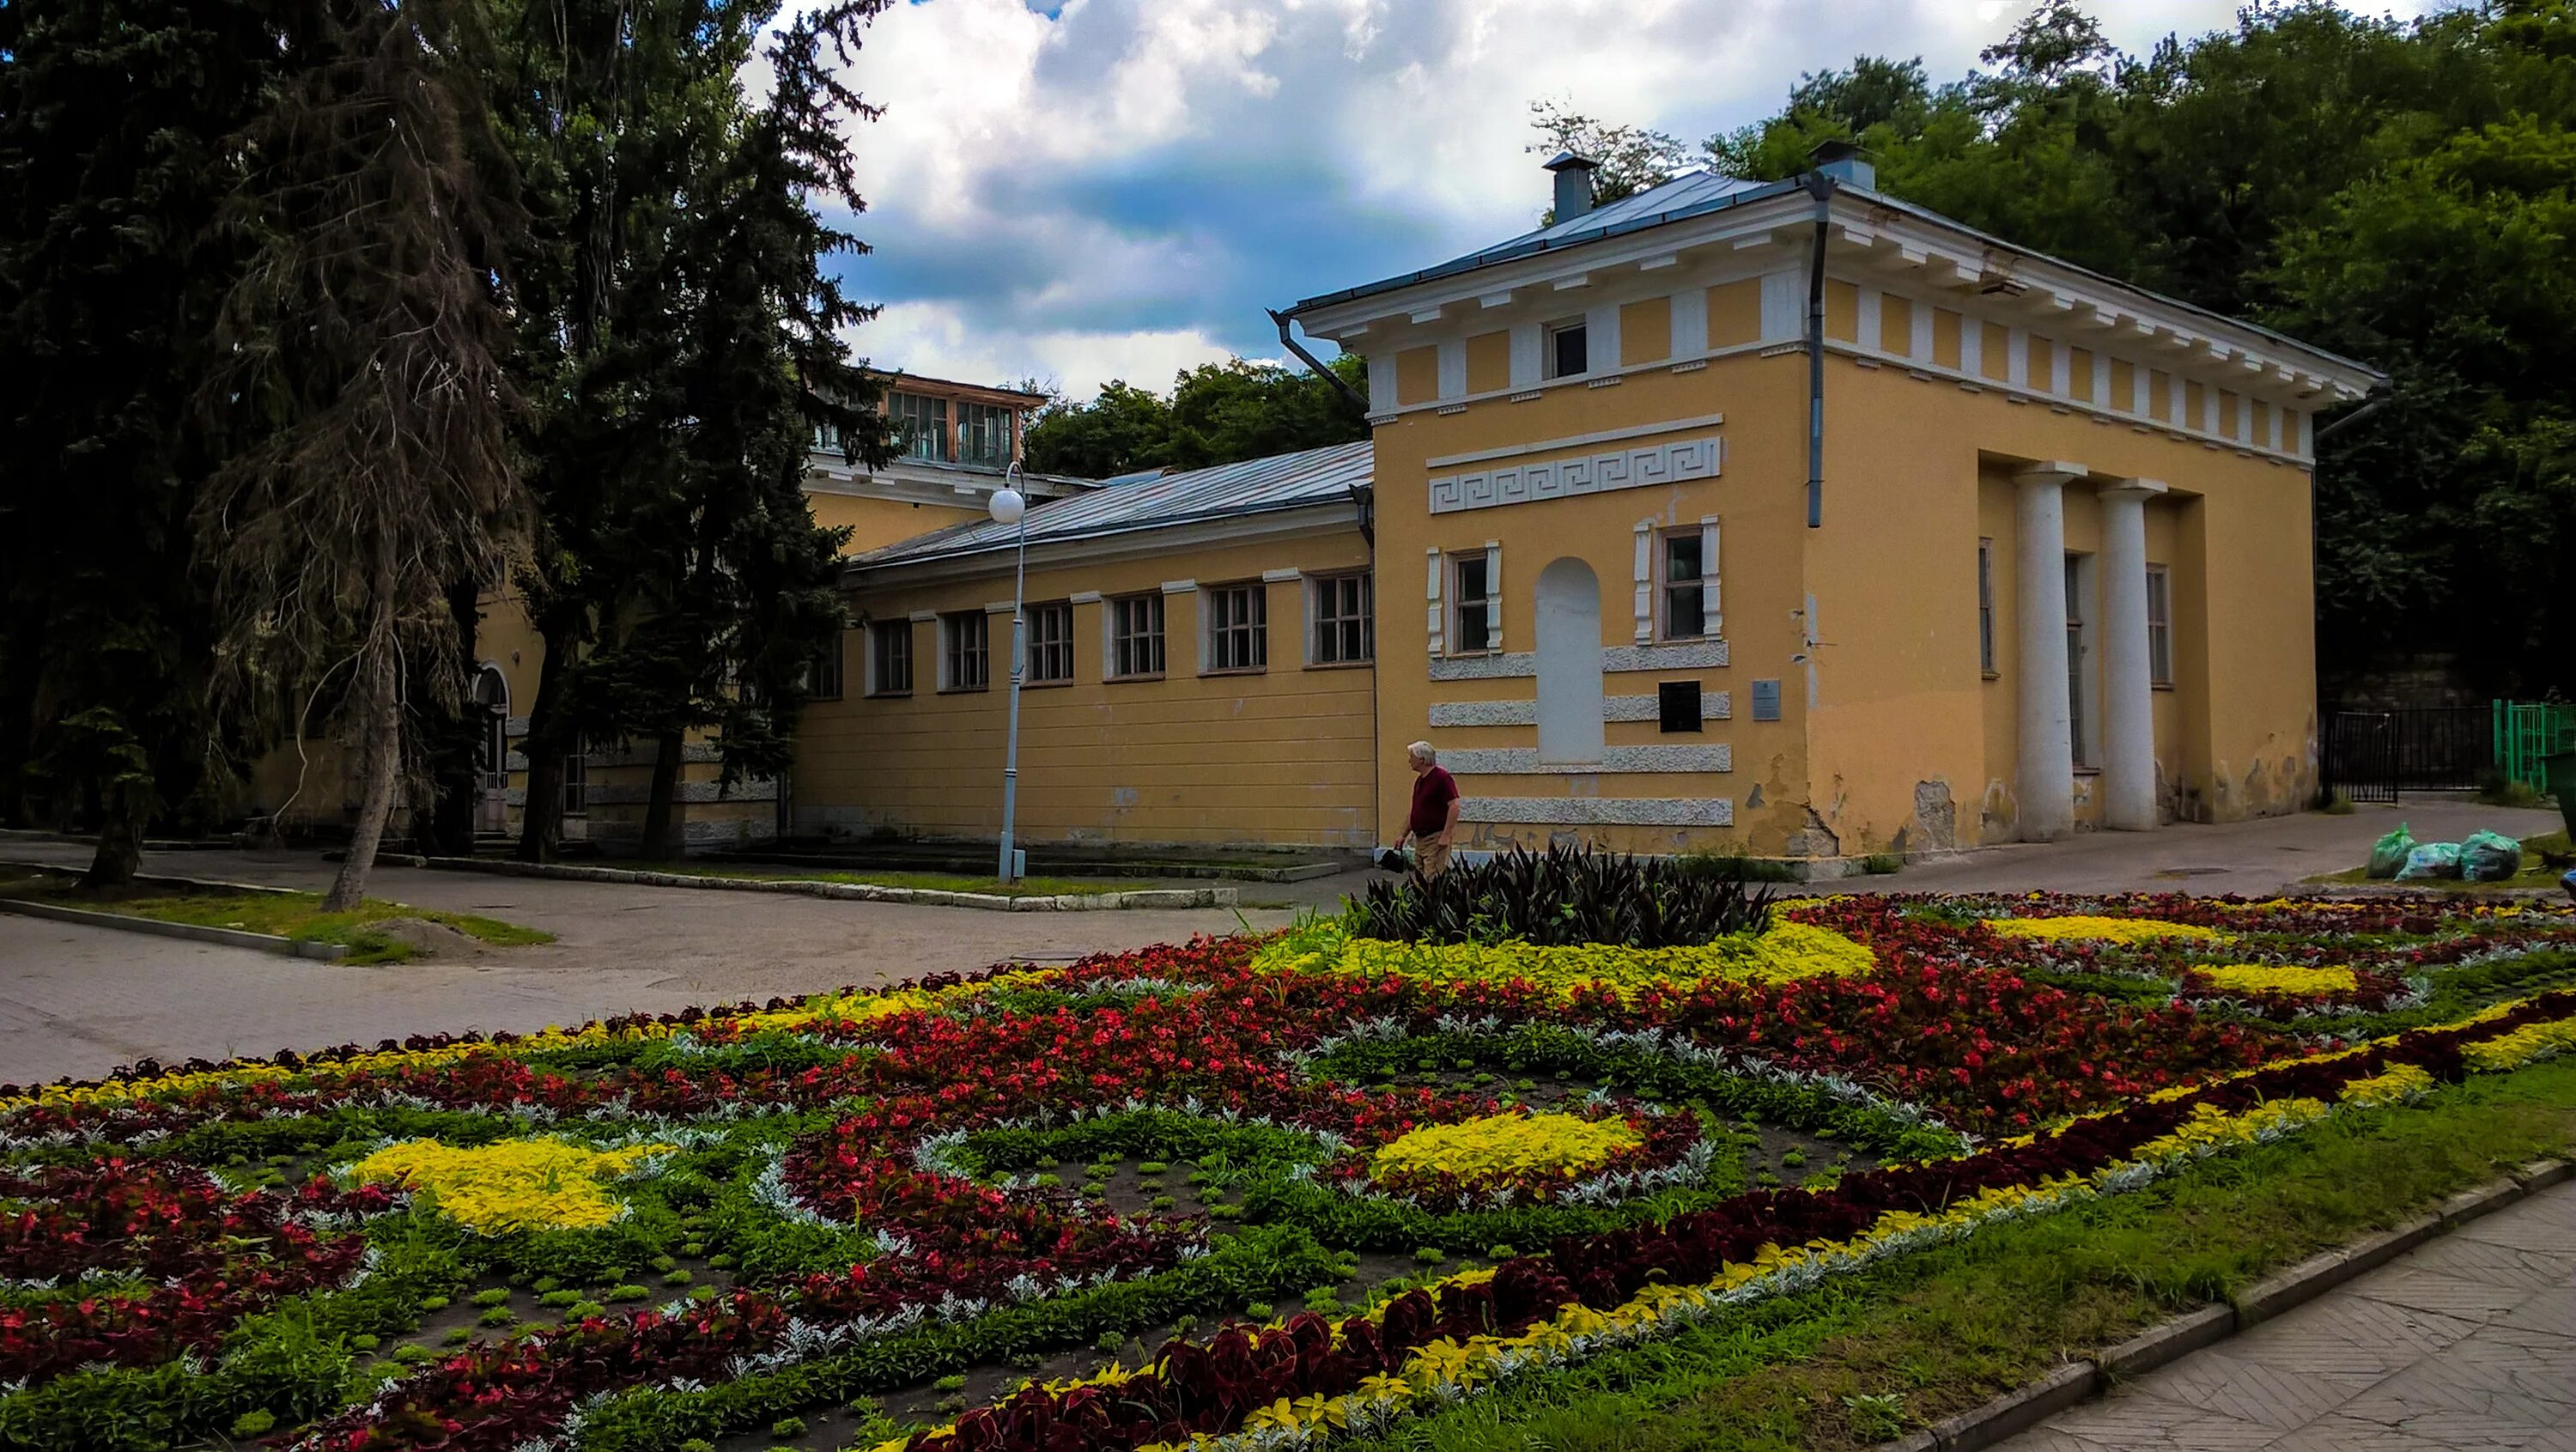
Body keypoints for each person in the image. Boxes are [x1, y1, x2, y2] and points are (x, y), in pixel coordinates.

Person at [1397, 740, 1461, 878]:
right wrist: (1403, 835)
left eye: (1412, 757)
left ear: (1422, 759)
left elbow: (1454, 806)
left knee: (1432, 876)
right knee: (1419, 877)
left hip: (1435, 837)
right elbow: (1415, 811)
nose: (1409, 761)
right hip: (1420, 839)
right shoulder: (1420, 781)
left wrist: (1446, 835)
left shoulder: (1441, 777)